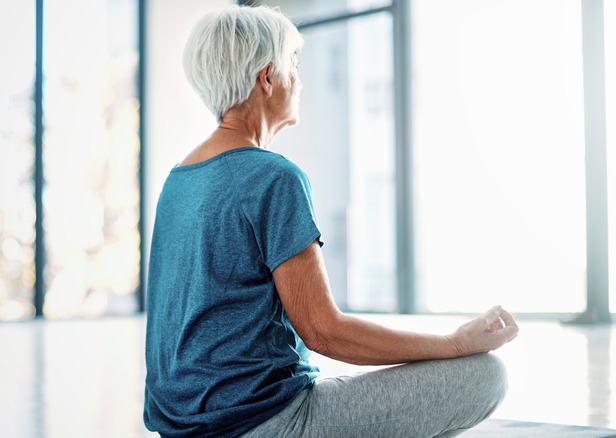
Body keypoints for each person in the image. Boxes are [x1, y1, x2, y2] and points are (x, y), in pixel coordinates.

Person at [143, 5, 519, 438]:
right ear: (267, 78)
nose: (300, 81)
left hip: (184, 429)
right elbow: (324, 332)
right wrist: (455, 345)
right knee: (486, 376)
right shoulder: (273, 177)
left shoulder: (178, 181)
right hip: (264, 423)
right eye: (294, 65)